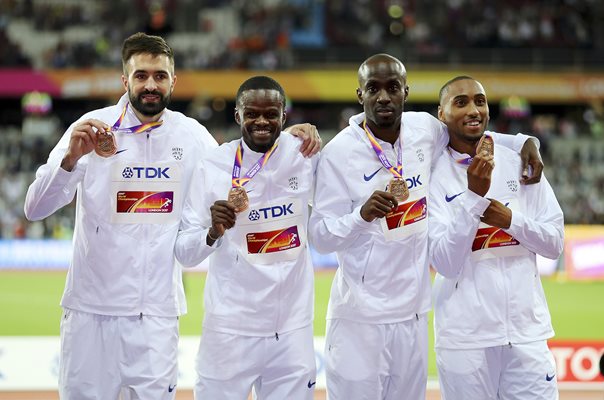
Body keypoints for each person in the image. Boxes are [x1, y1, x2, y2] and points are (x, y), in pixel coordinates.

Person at [23, 33, 319, 399]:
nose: (151, 84)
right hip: (91, 311)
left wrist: (283, 142)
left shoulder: (192, 136)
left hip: (157, 317)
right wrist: (69, 161)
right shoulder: (91, 128)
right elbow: (34, 208)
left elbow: (240, 167)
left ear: (172, 81)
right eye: (141, 75)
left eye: (160, 76)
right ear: (125, 80)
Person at [308, 53, 544, 400]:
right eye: (373, 88)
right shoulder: (337, 153)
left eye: (392, 87)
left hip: (414, 314)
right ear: (360, 95)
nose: (384, 97)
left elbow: (472, 133)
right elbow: (320, 235)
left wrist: (525, 142)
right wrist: (361, 216)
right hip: (359, 318)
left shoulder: (425, 130)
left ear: (406, 91)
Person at [174, 76, 318, 399]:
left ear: (284, 115)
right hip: (229, 331)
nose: (262, 122)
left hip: (291, 331)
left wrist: (311, 133)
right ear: (238, 115)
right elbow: (184, 252)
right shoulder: (212, 166)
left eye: (271, 113)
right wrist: (212, 233)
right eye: (252, 113)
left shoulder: (305, 155)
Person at [428, 76, 563, 399]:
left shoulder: (522, 166)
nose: (474, 109)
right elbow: (444, 263)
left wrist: (511, 221)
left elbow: (554, 243)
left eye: (480, 100)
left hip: (526, 333)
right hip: (465, 339)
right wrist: (474, 200)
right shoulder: (431, 176)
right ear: (441, 114)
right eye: (460, 102)